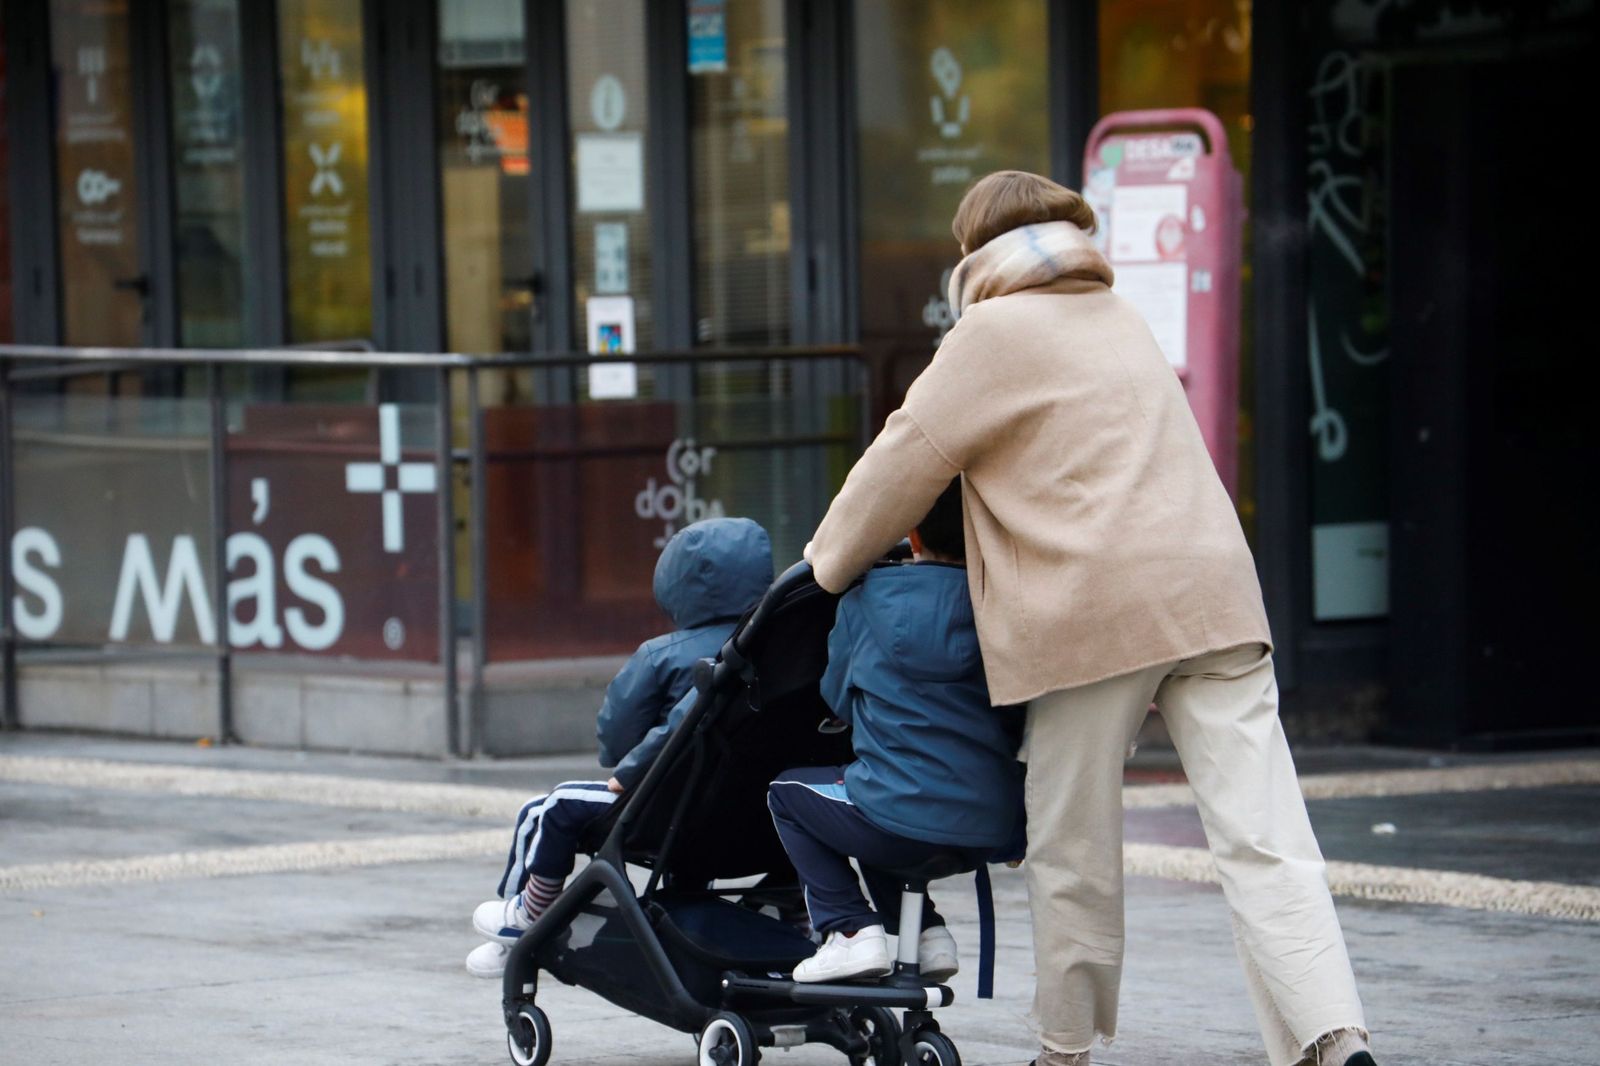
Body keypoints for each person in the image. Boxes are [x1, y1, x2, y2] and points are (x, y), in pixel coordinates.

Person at [801, 171, 1374, 1066]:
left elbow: (898, 467)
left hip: (1091, 611)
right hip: (1216, 595)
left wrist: (822, 569)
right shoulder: (1122, 316)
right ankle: (1337, 1038)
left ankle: (1064, 1051)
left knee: (1075, 846)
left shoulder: (988, 333)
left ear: (974, 252)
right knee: (1267, 840)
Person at [465, 516, 772, 978]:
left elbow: (615, 739)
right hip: (758, 822)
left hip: (667, 812)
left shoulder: (661, 655)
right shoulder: (780, 651)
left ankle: (525, 915)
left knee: (545, 808)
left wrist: (628, 770)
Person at [769, 479, 1023, 983]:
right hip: (989, 828)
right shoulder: (1000, 607)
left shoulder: (865, 601)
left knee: (790, 794)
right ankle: (927, 935)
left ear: (913, 534)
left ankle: (847, 928)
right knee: (881, 807)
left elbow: (837, 696)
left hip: (896, 816)